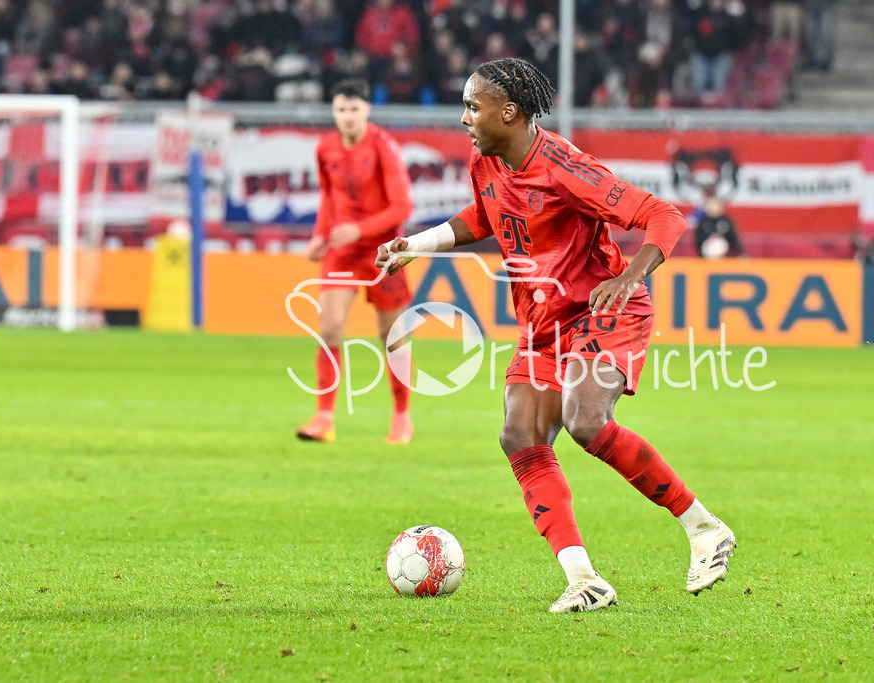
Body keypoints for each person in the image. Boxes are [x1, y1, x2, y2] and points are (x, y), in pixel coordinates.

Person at [376, 58, 736, 613]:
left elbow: (663, 215)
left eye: (473, 106)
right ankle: (585, 581)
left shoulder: (565, 168)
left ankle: (704, 528)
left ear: (509, 111)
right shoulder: (486, 160)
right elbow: (486, 216)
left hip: (604, 308)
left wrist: (630, 275)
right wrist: (416, 245)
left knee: (586, 419)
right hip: (543, 321)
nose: (464, 118)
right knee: (520, 434)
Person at [297, 78, 415, 445]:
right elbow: (328, 197)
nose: (347, 116)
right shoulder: (325, 149)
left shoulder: (383, 147)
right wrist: (320, 233)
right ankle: (324, 418)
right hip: (343, 250)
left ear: (367, 110)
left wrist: (359, 229)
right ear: (334, 112)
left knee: (392, 336)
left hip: (383, 251)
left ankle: (401, 418)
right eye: (341, 109)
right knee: (330, 327)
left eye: (354, 109)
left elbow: (402, 207)